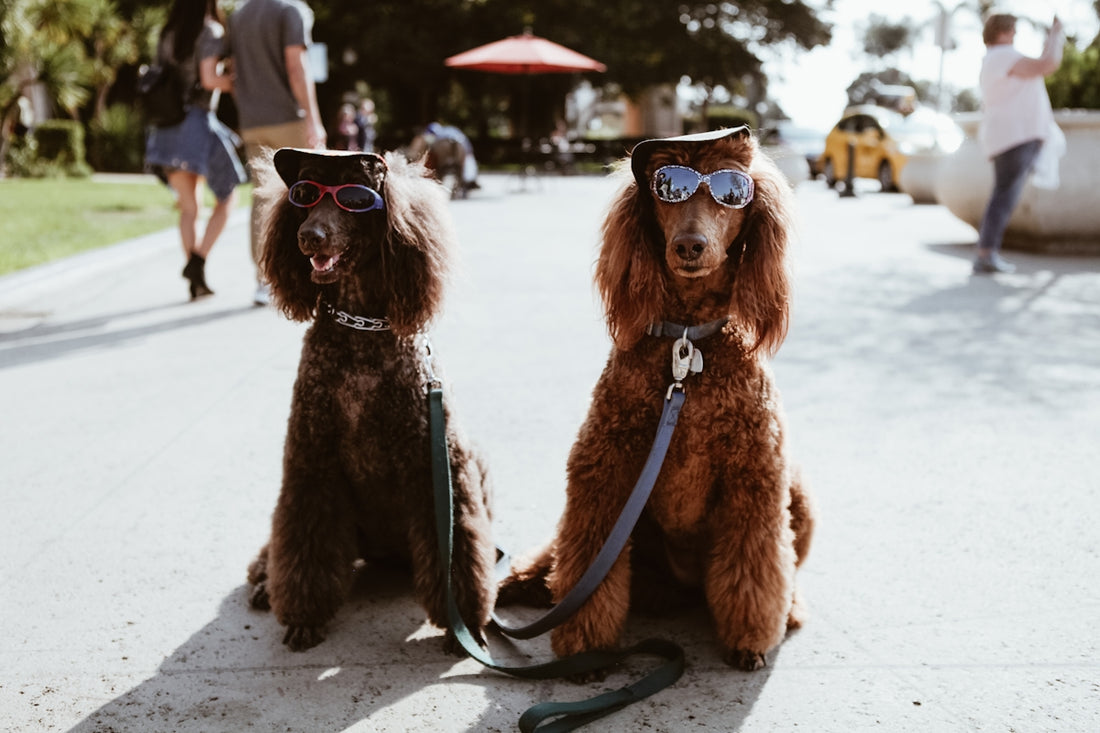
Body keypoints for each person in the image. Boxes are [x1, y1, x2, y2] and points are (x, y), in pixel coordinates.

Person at [144, 0, 247, 301]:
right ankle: (198, 262)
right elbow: (208, 79)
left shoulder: (169, 31)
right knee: (228, 197)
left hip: (166, 126)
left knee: (189, 208)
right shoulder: (210, 31)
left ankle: (196, 279)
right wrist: (237, 81)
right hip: (197, 124)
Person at [227, 0, 326, 305]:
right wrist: (314, 118)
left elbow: (231, 69)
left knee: (262, 197)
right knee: (308, 192)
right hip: (288, 117)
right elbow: (296, 67)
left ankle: (263, 281)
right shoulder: (291, 10)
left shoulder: (239, 14)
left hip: (251, 122)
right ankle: (310, 273)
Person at [974, 13, 1064, 275]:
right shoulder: (1002, 55)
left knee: (1002, 195)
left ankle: (986, 253)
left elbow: (1039, 64)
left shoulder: (996, 58)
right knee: (1004, 197)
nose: (1015, 34)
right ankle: (986, 254)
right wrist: (1056, 35)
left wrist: (1050, 38)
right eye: (1013, 30)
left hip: (1013, 137)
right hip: (1015, 138)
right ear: (1002, 31)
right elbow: (1048, 64)